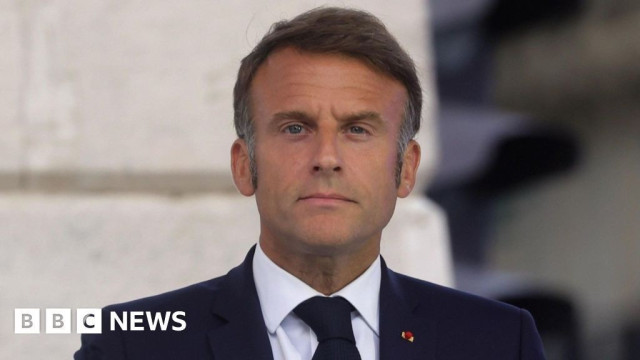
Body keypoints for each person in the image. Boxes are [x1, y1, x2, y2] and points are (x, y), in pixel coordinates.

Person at [75, 7, 546, 360]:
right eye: (295, 128)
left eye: (357, 130)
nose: (326, 158)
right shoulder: (132, 346)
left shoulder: (499, 342)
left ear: (405, 169)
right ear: (245, 165)